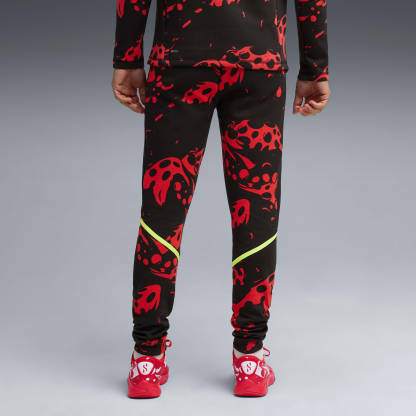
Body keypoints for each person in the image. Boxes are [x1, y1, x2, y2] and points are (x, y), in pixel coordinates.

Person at [111, 0, 330, 398]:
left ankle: (147, 357)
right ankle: (250, 356)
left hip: (180, 58)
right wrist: (315, 68)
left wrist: (127, 57)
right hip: (259, 60)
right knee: (258, 210)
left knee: (162, 213)